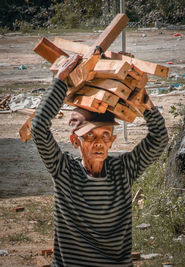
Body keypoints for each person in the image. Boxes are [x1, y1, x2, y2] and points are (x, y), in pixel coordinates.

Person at [31, 55, 169, 266]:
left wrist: (143, 100)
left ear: (112, 141)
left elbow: (159, 139)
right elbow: (39, 129)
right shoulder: (64, 171)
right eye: (89, 136)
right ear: (74, 141)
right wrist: (59, 83)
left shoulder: (123, 170)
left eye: (105, 135)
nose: (99, 143)